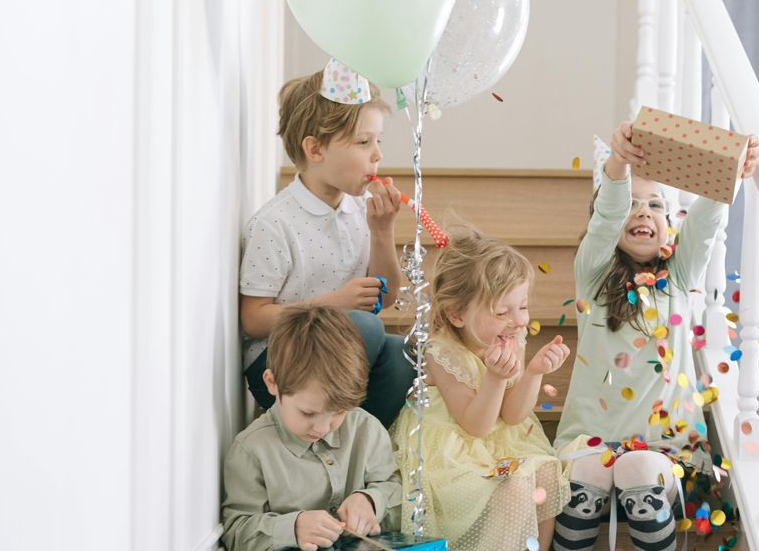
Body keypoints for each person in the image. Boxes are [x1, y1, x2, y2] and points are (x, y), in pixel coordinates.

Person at [552, 122, 759, 551]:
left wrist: (729, 170)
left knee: (637, 469)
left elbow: (703, 225)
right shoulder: (591, 274)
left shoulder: (680, 279)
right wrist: (618, 165)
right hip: (587, 441)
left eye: (655, 205)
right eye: (632, 203)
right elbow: (606, 216)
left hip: (666, 449)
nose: (643, 211)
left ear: (668, 224)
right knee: (590, 472)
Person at [239, 59, 413, 428]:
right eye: (364, 142)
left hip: (338, 356)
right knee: (364, 328)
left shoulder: (357, 212)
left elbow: (387, 297)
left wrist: (382, 232)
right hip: (277, 365)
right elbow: (253, 319)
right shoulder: (275, 223)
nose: (377, 154)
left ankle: (354, 446)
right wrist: (333, 304)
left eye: (377, 141)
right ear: (315, 149)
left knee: (402, 355)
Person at [390, 228, 572, 551]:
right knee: (513, 489)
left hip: (501, 443)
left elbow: (514, 415)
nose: (518, 321)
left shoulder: (511, 337)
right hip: (452, 455)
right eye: (502, 312)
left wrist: (532, 372)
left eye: (523, 307)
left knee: (545, 472)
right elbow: (476, 424)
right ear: (457, 314)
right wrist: (495, 378)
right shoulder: (441, 351)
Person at [222, 304, 402, 551]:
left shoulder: (366, 430)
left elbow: (397, 489)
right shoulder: (251, 451)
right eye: (308, 412)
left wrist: (371, 501)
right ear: (272, 383)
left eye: (338, 412)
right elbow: (236, 530)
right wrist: (292, 528)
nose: (322, 427)